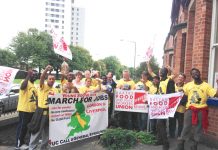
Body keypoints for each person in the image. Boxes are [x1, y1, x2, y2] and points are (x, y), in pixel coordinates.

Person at [176, 68, 218, 150]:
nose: (195, 74)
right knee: (186, 127)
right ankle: (181, 144)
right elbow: (183, 93)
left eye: (197, 72)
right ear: (191, 76)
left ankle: (194, 145)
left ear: (199, 73)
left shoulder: (206, 85)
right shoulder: (188, 85)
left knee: (198, 128)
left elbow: (215, 94)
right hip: (190, 109)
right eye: (193, 73)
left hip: (201, 110)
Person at [29, 65, 58, 150]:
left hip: (50, 113)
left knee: (47, 132)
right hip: (41, 111)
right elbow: (41, 77)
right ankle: (32, 147)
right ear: (47, 80)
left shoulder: (56, 90)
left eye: (53, 79)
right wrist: (46, 70)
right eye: (50, 79)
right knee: (37, 130)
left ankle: (44, 147)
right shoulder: (43, 86)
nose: (51, 80)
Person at [15, 70, 38, 150]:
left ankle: (25, 142)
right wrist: (28, 76)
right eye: (33, 75)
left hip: (32, 110)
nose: (34, 76)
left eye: (36, 75)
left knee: (28, 127)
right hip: (24, 109)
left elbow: (36, 98)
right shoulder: (25, 82)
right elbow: (22, 87)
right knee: (22, 127)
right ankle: (18, 144)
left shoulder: (34, 85)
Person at [156, 67, 175, 150]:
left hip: (166, 105)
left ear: (166, 73)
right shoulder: (160, 81)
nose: (160, 72)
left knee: (160, 123)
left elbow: (171, 94)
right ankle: (160, 140)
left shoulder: (170, 81)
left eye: (162, 71)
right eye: (160, 71)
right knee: (159, 124)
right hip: (159, 105)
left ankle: (165, 143)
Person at [174, 73, 187, 138]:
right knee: (172, 122)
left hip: (181, 108)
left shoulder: (186, 87)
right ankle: (172, 134)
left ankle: (179, 135)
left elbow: (186, 97)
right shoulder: (174, 85)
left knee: (180, 123)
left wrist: (180, 103)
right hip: (173, 108)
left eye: (182, 78)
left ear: (184, 79)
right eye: (179, 77)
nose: (180, 79)